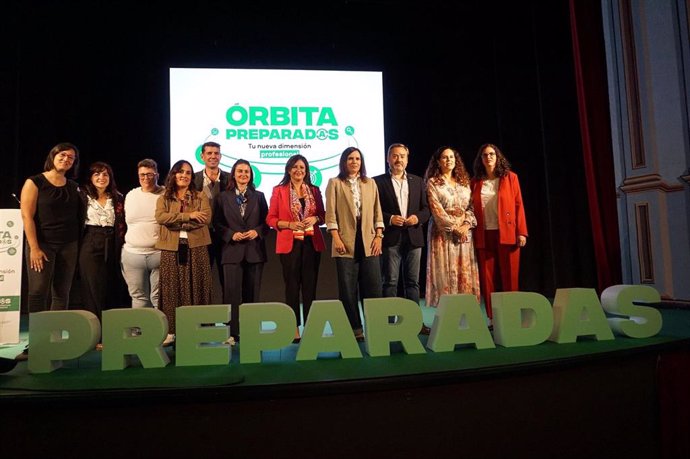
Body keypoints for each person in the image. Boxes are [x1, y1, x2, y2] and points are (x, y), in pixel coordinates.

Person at [17, 142, 81, 360]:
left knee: (61, 294)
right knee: (37, 292)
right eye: (63, 155)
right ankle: (36, 343)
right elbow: (27, 216)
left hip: (68, 245)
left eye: (71, 158)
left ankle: (54, 341)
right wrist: (34, 247)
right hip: (42, 246)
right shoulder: (34, 182)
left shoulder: (73, 186)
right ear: (53, 156)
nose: (66, 160)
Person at [325, 147, 384, 341]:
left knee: (373, 286)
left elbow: (377, 212)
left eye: (358, 159)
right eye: (350, 158)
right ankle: (355, 329)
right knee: (348, 289)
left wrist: (378, 236)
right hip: (345, 241)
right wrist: (336, 238)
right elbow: (331, 214)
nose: (354, 162)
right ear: (344, 161)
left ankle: (375, 326)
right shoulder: (335, 183)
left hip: (369, 241)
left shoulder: (370, 183)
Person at [266, 154, 326, 342]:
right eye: (295, 167)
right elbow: (270, 218)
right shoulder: (279, 190)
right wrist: (289, 225)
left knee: (310, 286)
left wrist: (315, 219)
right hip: (289, 244)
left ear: (306, 171)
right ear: (288, 170)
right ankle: (294, 328)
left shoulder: (315, 191)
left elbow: (324, 215)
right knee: (292, 287)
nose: (298, 170)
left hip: (311, 243)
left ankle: (311, 325)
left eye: (302, 167)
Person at [373, 143, 431, 334]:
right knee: (390, 282)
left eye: (402, 156)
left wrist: (417, 218)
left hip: (414, 237)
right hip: (391, 237)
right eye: (395, 156)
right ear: (388, 159)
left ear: (407, 159)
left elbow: (426, 209)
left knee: (412, 283)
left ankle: (415, 323)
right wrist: (389, 218)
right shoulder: (377, 182)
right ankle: (389, 325)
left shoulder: (418, 181)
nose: (398, 160)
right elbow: (373, 210)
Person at [156, 160, 212, 345]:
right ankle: (170, 331)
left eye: (188, 173)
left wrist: (178, 223)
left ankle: (199, 329)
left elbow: (204, 218)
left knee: (198, 286)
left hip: (196, 246)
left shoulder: (200, 195)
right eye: (180, 172)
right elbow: (161, 217)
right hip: (171, 247)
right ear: (173, 174)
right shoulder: (164, 197)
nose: (184, 175)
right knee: (171, 288)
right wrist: (188, 216)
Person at [470, 143, 528, 324]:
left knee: (510, 276)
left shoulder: (511, 178)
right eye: (484, 155)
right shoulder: (475, 182)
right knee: (488, 280)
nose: (488, 157)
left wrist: (522, 232)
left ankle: (511, 316)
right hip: (484, 234)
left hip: (508, 234)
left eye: (491, 154)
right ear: (480, 159)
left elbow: (519, 205)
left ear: (497, 157)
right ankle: (492, 318)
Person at [213, 159, 268, 343]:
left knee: (252, 294)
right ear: (233, 174)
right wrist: (230, 235)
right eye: (240, 171)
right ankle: (231, 333)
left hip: (254, 252)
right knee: (231, 294)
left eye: (247, 171)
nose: (243, 174)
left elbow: (267, 223)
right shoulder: (222, 197)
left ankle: (250, 331)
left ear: (251, 175)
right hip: (231, 252)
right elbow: (217, 223)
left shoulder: (259, 196)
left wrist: (257, 232)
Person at [424, 146, 480, 308]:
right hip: (443, 234)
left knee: (464, 273)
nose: (449, 160)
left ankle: (465, 314)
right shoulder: (433, 182)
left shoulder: (464, 182)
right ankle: (447, 315)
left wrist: (466, 225)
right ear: (438, 162)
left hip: (464, 234)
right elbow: (436, 210)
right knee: (444, 275)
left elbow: (471, 207)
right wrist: (454, 227)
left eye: (452, 157)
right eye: (445, 157)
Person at [78, 162, 127, 325]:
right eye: (97, 174)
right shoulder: (82, 195)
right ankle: (94, 331)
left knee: (111, 285)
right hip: (90, 240)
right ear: (90, 177)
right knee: (92, 287)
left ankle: (111, 329)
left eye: (105, 174)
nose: (101, 178)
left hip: (112, 242)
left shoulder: (118, 197)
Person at [121, 159, 165, 308]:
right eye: (142, 175)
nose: (146, 178)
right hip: (132, 255)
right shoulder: (131, 195)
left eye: (150, 174)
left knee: (158, 297)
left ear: (157, 175)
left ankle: (163, 331)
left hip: (158, 254)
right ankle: (140, 331)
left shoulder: (165, 194)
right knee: (138, 297)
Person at [194, 141, 230, 298]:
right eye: (209, 153)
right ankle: (204, 320)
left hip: (226, 237)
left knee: (228, 280)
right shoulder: (193, 179)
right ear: (202, 156)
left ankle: (232, 319)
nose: (213, 156)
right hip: (202, 235)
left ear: (220, 156)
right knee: (202, 280)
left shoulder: (231, 178)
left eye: (216, 153)